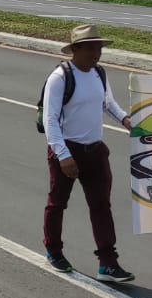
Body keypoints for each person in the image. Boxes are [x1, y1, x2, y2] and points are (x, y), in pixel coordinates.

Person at [41, 24, 136, 283]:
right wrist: (63, 156)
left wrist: (125, 120)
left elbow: (108, 103)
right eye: (92, 48)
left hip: (95, 152)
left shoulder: (99, 73)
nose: (98, 53)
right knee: (58, 203)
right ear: (76, 49)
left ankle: (108, 263)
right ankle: (53, 250)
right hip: (68, 150)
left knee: (101, 206)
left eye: (100, 48)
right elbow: (51, 120)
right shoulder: (60, 77)